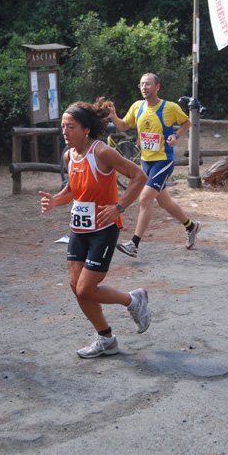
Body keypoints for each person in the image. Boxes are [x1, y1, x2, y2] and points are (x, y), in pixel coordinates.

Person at [40, 98, 150, 358]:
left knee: (85, 289)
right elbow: (72, 189)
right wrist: (56, 199)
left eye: (71, 127)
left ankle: (133, 300)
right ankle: (107, 339)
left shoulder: (101, 152)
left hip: (103, 227)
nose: (65, 132)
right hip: (78, 229)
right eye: (63, 127)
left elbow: (139, 176)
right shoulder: (69, 155)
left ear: (86, 130)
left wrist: (120, 207)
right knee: (75, 285)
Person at [108, 72, 201, 257]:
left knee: (144, 199)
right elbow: (123, 127)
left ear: (157, 87)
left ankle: (134, 244)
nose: (144, 87)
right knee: (164, 202)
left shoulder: (169, 107)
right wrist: (113, 115)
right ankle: (191, 226)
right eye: (142, 84)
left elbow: (187, 122)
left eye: (148, 84)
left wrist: (176, 136)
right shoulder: (137, 107)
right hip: (146, 162)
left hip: (164, 161)